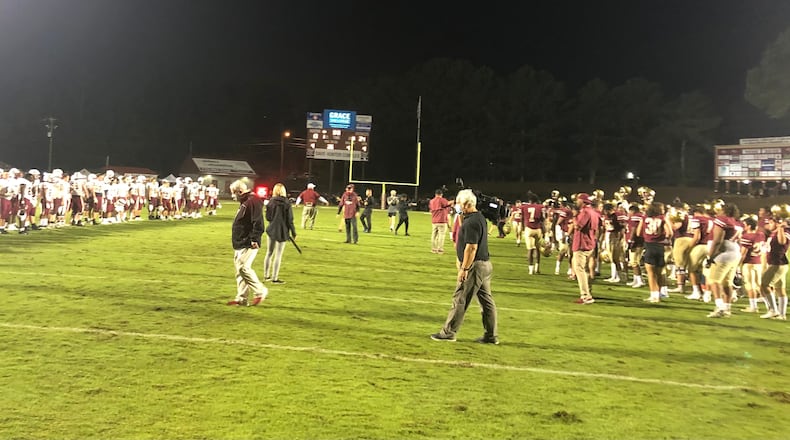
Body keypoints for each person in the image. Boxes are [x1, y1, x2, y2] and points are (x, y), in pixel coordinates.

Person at [430, 189, 499, 344]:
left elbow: (471, 247)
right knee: (486, 301)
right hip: (485, 265)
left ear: (467, 204)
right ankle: (491, 336)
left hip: (475, 266)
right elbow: (463, 229)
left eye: (460, 204)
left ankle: (448, 333)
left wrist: (464, 268)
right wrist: (460, 213)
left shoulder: (472, 222)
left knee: (460, 298)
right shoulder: (477, 217)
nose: (457, 207)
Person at [227, 179, 268, 306]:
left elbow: (258, 222)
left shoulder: (252, 201)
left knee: (243, 268)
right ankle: (242, 298)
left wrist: (255, 238)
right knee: (239, 271)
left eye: (233, 193)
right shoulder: (246, 201)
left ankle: (260, 291)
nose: (233, 196)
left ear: (239, 191)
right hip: (240, 241)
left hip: (248, 242)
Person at [636, 201, 673, 303]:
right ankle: (659, 294)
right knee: (660, 273)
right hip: (661, 246)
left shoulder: (644, 218)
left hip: (650, 245)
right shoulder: (663, 218)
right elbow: (670, 233)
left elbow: (638, 233)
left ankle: (654, 295)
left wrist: (648, 236)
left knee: (651, 273)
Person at [568, 192, 599, 304]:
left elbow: (578, 226)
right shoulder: (594, 212)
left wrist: (575, 216)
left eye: (578, 200)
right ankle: (588, 292)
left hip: (582, 243)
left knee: (579, 269)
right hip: (590, 242)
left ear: (583, 201)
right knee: (585, 269)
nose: (576, 202)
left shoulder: (585, 212)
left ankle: (586, 296)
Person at [263, 183, 296, 284]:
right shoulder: (287, 203)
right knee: (278, 255)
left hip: (271, 229)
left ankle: (266, 276)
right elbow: (290, 219)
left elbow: (268, 217)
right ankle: (275, 278)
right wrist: (293, 232)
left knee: (269, 253)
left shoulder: (270, 202)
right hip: (282, 231)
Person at [429, 188, 454, 253]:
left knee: (434, 235)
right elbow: (447, 204)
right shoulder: (442, 200)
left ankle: (433, 249)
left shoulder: (431, 201)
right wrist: (453, 201)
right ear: (441, 194)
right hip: (442, 220)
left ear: (435, 194)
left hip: (434, 220)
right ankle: (440, 249)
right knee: (441, 235)